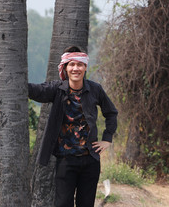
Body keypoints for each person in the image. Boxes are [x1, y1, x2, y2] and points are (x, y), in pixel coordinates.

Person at [28, 46, 118, 207]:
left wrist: (107, 139)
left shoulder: (95, 89)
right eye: (71, 64)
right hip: (65, 160)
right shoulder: (57, 89)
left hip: (90, 160)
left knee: (86, 204)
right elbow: (36, 91)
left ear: (85, 67)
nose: (76, 68)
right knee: (62, 204)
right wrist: (16, 79)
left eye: (80, 64)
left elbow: (111, 113)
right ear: (65, 67)